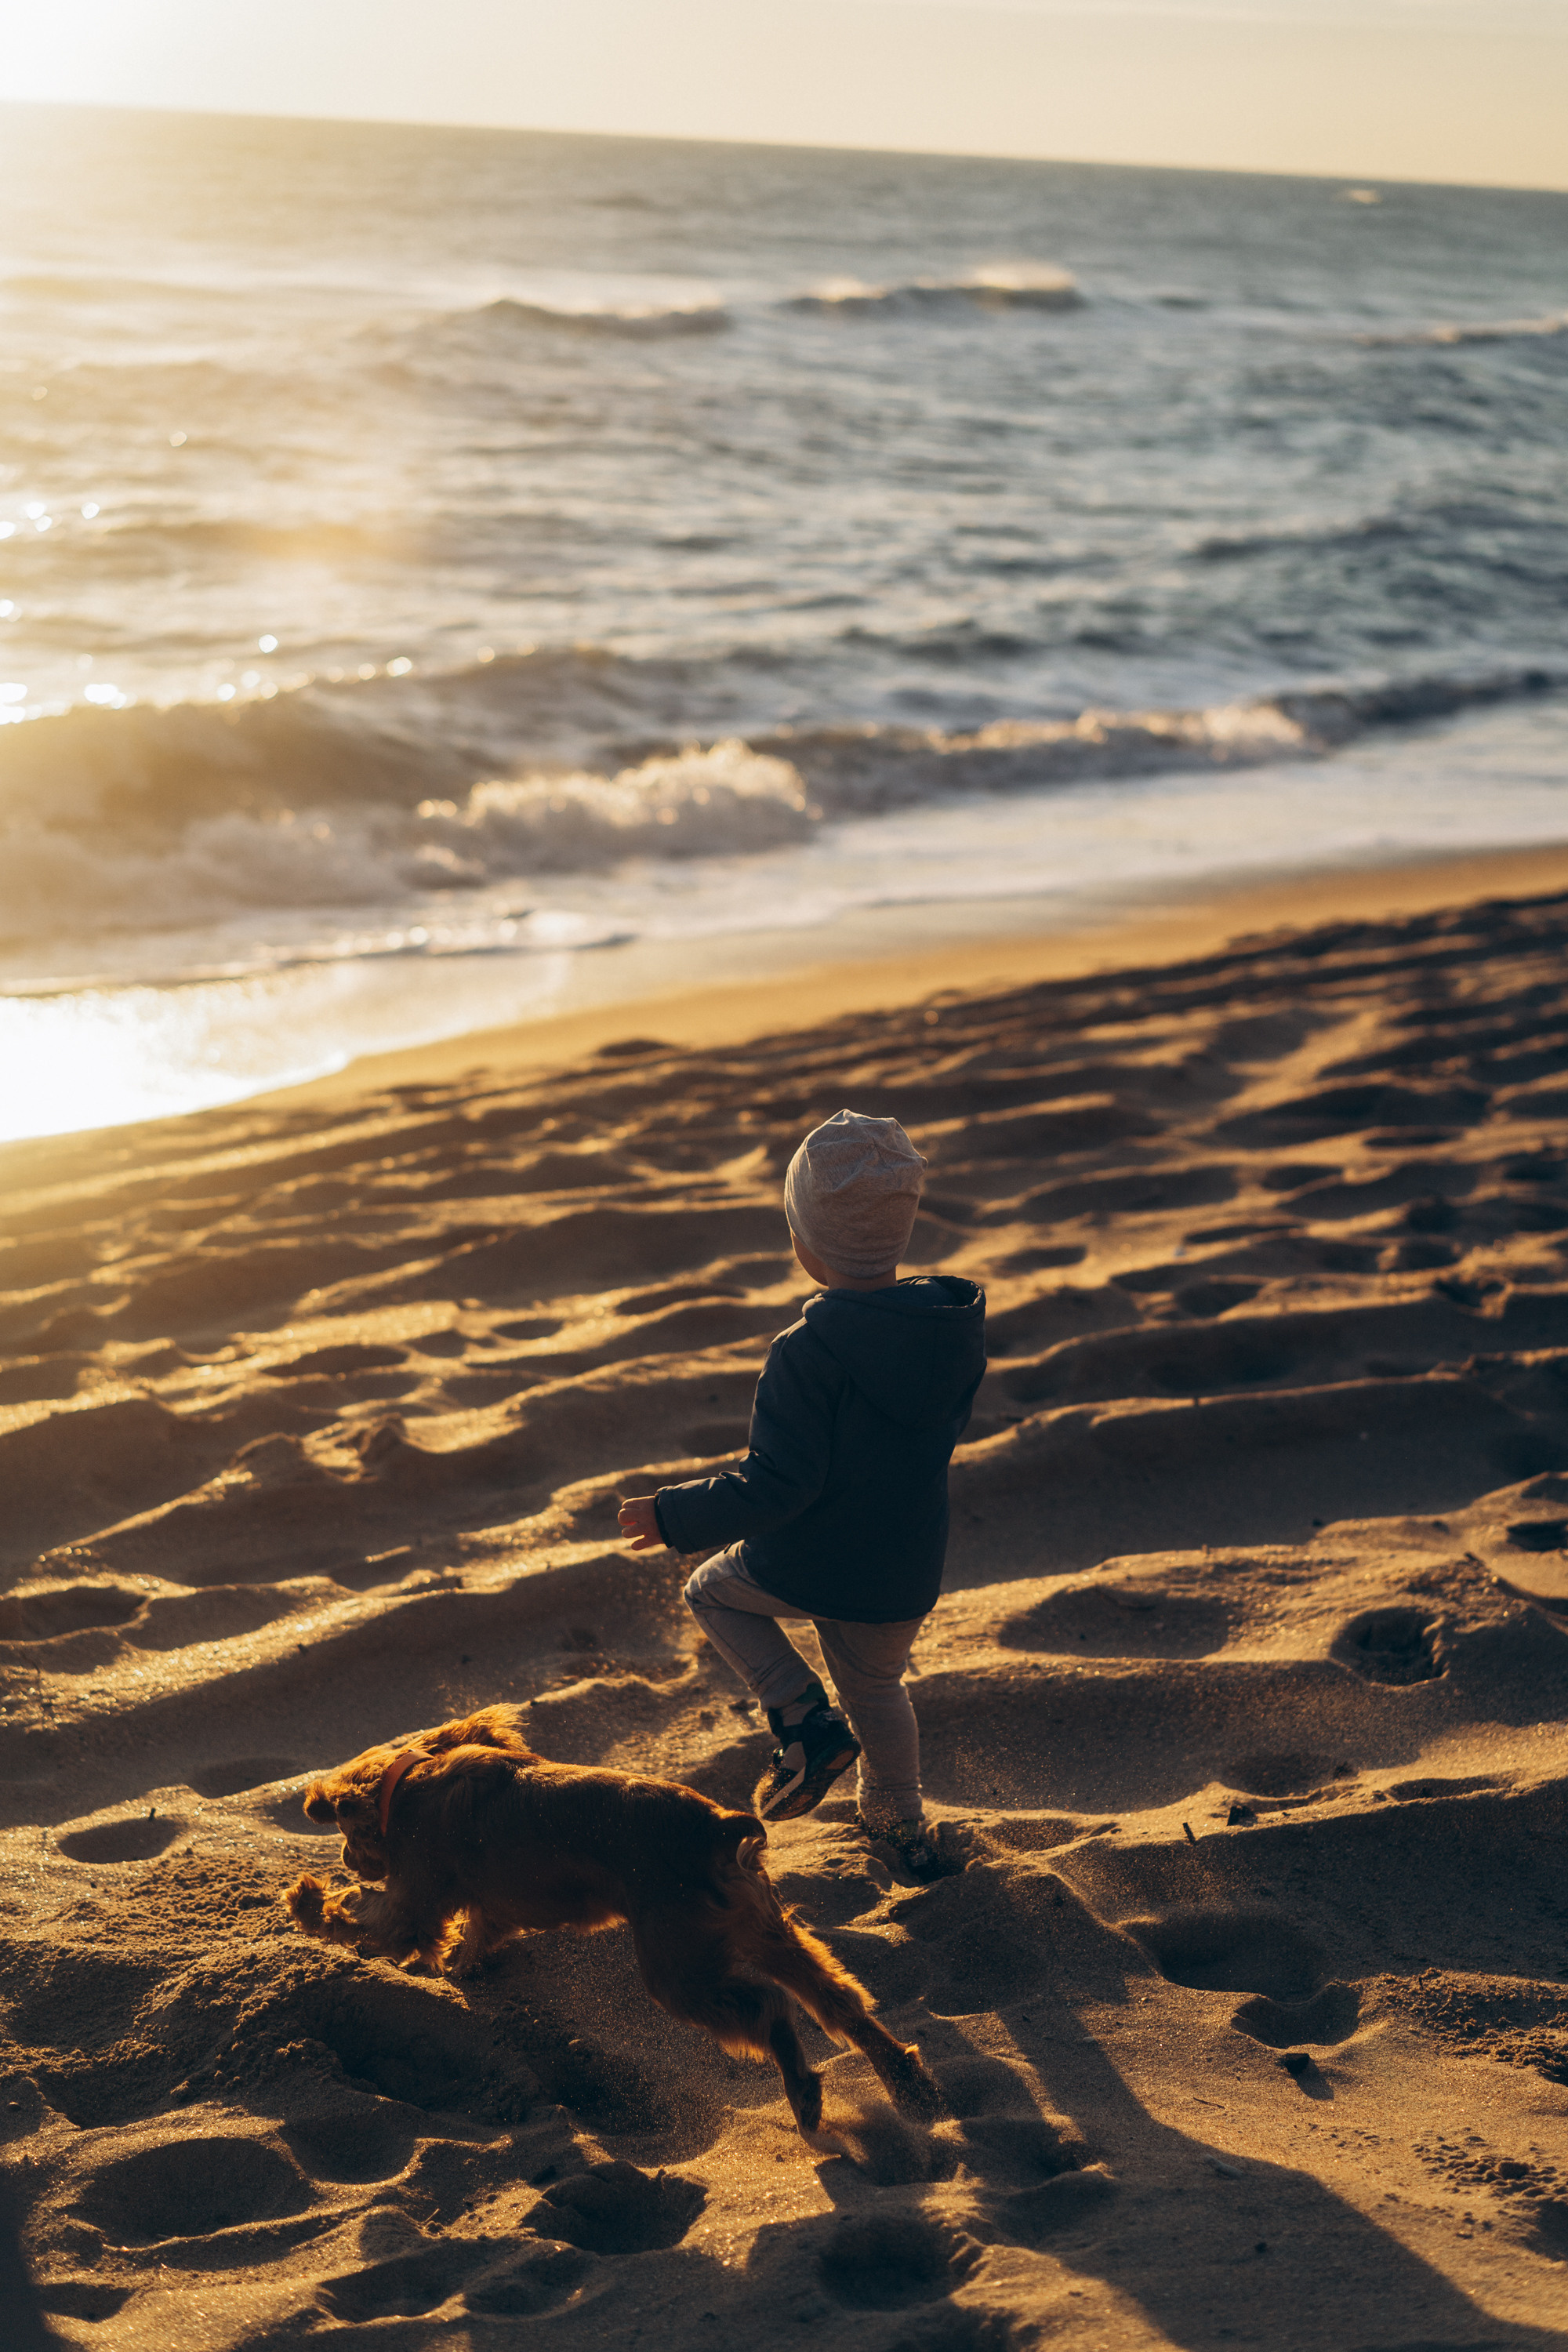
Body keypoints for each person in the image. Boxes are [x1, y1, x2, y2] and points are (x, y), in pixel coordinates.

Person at [619, 1108, 985, 1880]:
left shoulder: (806, 1351)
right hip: (903, 1569)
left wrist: (671, 1513)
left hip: (814, 1559)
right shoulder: (949, 1333)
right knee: (878, 1690)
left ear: (805, 1243)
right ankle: (899, 1821)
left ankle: (799, 1716)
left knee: (711, 1592)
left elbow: (780, 1483)